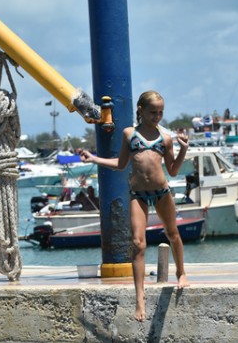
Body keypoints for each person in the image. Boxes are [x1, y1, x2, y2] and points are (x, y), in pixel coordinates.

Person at [80, 90, 189, 321]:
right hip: (137, 195)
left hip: (161, 192)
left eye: (160, 113)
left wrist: (183, 151)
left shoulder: (165, 139)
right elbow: (121, 164)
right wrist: (94, 159)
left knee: (172, 233)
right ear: (140, 109)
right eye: (153, 112)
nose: (157, 117)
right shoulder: (130, 134)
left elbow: (173, 170)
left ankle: (181, 272)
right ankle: (140, 298)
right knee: (138, 244)